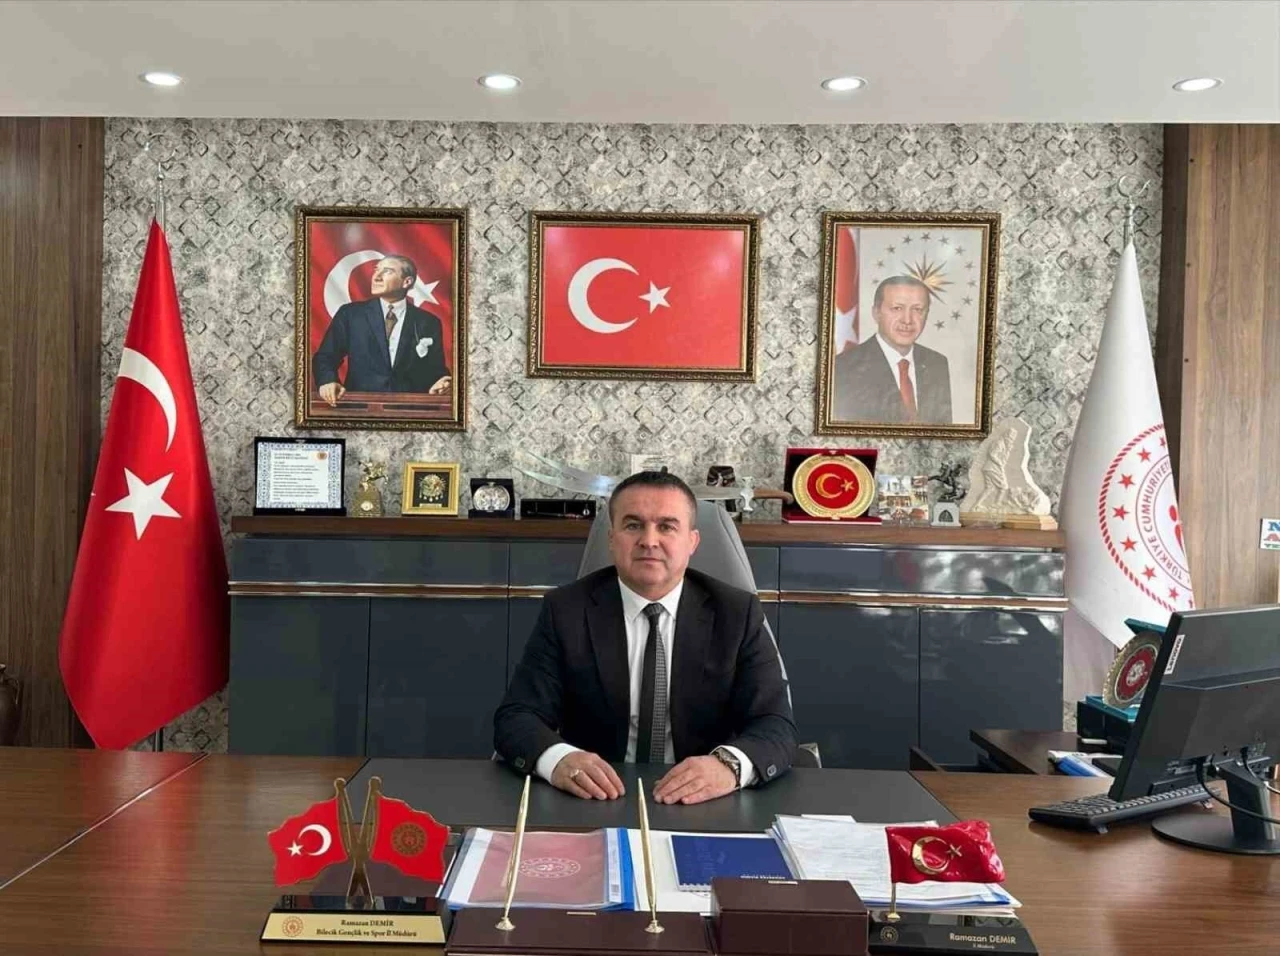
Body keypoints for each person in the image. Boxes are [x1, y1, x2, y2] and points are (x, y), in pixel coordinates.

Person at [493, 471, 798, 805]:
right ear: (612, 539)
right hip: (595, 799)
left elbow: (776, 725)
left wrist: (728, 766)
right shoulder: (566, 610)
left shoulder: (736, 613)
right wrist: (559, 759)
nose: (649, 540)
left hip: (705, 802)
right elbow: (517, 717)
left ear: (692, 542)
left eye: (666, 526)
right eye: (633, 525)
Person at [312, 255, 451, 404]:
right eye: (376, 270)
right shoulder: (350, 315)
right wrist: (327, 381)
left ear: (407, 282)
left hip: (411, 409)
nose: (376, 277)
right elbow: (325, 357)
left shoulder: (428, 322)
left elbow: (436, 370)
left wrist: (442, 381)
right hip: (359, 407)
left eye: (387, 271)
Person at [832, 275, 952, 424]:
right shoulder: (843, 368)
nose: (907, 320)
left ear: (926, 314)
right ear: (876, 313)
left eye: (917, 309)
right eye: (897, 308)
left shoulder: (937, 364)